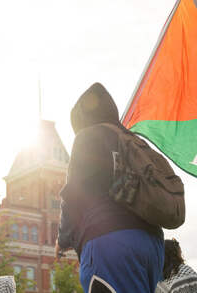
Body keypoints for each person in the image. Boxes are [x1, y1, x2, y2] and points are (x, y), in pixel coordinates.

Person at [56, 82, 164, 293]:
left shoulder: (87, 137)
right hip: (152, 245)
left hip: (109, 241)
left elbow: (73, 193)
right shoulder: (134, 142)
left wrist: (63, 238)